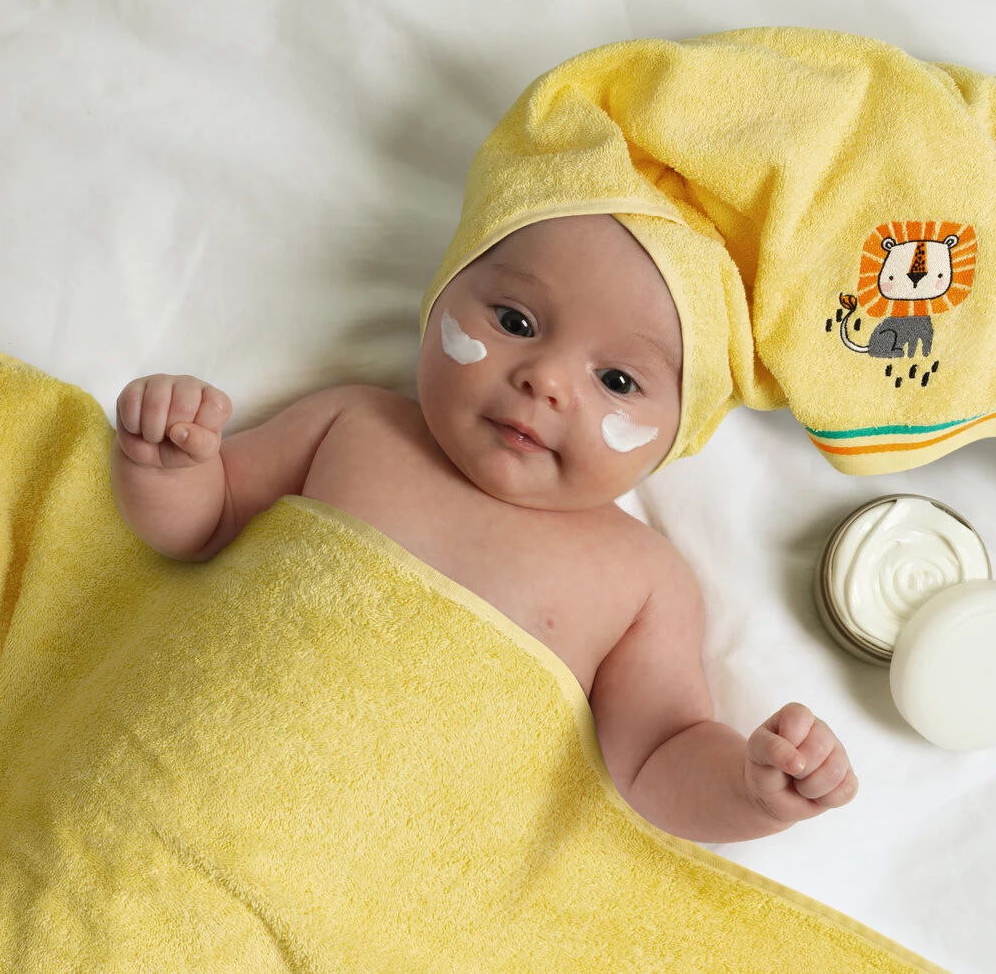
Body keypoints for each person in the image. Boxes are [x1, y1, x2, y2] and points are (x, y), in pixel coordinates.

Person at [109, 212, 857, 845]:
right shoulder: (354, 424)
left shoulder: (641, 578)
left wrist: (751, 791)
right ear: (442, 295)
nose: (545, 380)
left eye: (617, 381)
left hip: (385, 853)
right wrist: (171, 464)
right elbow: (206, 524)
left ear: (676, 435)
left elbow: (659, 754)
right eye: (515, 322)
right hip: (183, 776)